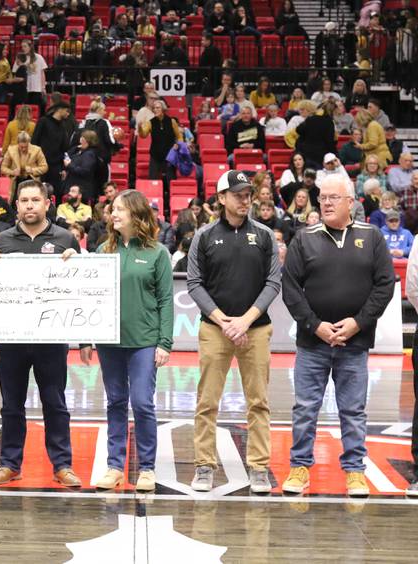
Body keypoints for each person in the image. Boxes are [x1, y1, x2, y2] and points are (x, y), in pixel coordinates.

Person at [281, 175, 395, 497]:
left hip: (354, 343)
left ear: (350, 202)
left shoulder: (371, 237)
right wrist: (314, 325)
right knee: (305, 408)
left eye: (333, 197)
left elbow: (385, 285)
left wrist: (358, 323)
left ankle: (355, 471)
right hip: (312, 343)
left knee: (353, 410)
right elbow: (290, 289)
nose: (326, 203)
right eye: (322, 198)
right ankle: (300, 466)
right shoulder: (304, 239)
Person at [187, 170, 281, 494]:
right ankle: (203, 466)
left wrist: (244, 320)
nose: (246, 199)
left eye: (249, 194)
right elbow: (194, 284)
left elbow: (273, 283)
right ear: (222, 198)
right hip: (215, 329)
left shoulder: (266, 235)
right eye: (238, 194)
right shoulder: (204, 236)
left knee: (258, 402)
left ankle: (258, 467)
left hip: (255, 330)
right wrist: (225, 320)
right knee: (207, 401)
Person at [0, 180, 82, 488]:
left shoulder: (66, 239)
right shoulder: (0, 241)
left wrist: (78, 265)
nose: (29, 205)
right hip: (12, 337)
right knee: (11, 404)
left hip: (51, 338)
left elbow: (83, 288)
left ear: (47, 203)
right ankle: (10, 464)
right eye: (23, 200)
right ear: (17, 206)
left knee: (55, 402)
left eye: (34, 200)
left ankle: (62, 464)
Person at [79, 190, 173, 492]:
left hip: (144, 341)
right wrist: (86, 337)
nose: (113, 214)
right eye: (112, 209)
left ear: (136, 214)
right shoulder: (103, 251)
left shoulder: (158, 253)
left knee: (142, 403)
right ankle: (115, 466)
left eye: (120, 209)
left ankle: (147, 468)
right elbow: (88, 295)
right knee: (115, 402)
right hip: (109, 342)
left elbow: (166, 300)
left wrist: (165, 342)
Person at [32, 102, 71, 200]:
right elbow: (34, 141)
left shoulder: (63, 126)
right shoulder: (43, 121)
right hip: (41, 164)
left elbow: (64, 148)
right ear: (59, 109)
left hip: (56, 166)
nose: (68, 114)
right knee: (39, 191)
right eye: (67, 111)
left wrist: (63, 168)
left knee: (56, 192)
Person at [140, 100, 182, 181]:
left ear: (163, 109)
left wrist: (178, 144)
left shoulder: (172, 121)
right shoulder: (150, 122)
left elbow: (179, 136)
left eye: (158, 108)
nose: (155, 110)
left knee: (170, 179)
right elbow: (143, 135)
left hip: (169, 156)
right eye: (154, 108)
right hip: (155, 155)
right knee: (152, 179)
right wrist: (139, 128)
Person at [0, 132, 48, 197]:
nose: (23, 149)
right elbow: (3, 168)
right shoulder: (10, 150)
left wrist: (32, 170)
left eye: (26, 147)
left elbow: (45, 167)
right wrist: (12, 172)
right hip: (16, 181)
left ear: (29, 143)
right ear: (18, 143)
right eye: (21, 147)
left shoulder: (37, 150)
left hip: (32, 180)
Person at [62, 130, 100, 203]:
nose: (80, 141)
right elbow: (68, 153)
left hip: (81, 189)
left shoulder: (89, 154)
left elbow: (84, 171)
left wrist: (69, 165)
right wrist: (76, 148)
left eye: (83, 139)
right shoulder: (80, 151)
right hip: (73, 185)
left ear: (89, 141)